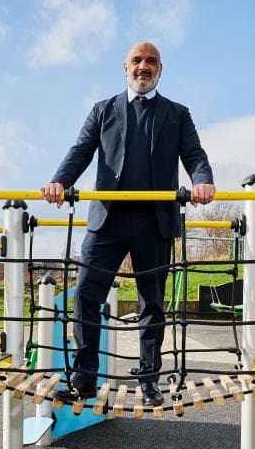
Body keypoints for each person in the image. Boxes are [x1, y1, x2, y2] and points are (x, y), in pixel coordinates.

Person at [40, 40, 215, 406]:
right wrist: (61, 180)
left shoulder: (177, 114)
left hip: (154, 221)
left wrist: (202, 180)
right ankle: (84, 379)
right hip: (108, 220)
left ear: (160, 69)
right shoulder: (103, 110)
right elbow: (81, 151)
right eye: (137, 60)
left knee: (152, 304)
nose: (143, 67)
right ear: (125, 67)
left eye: (151, 61)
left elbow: (194, 153)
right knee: (86, 295)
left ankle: (149, 380)